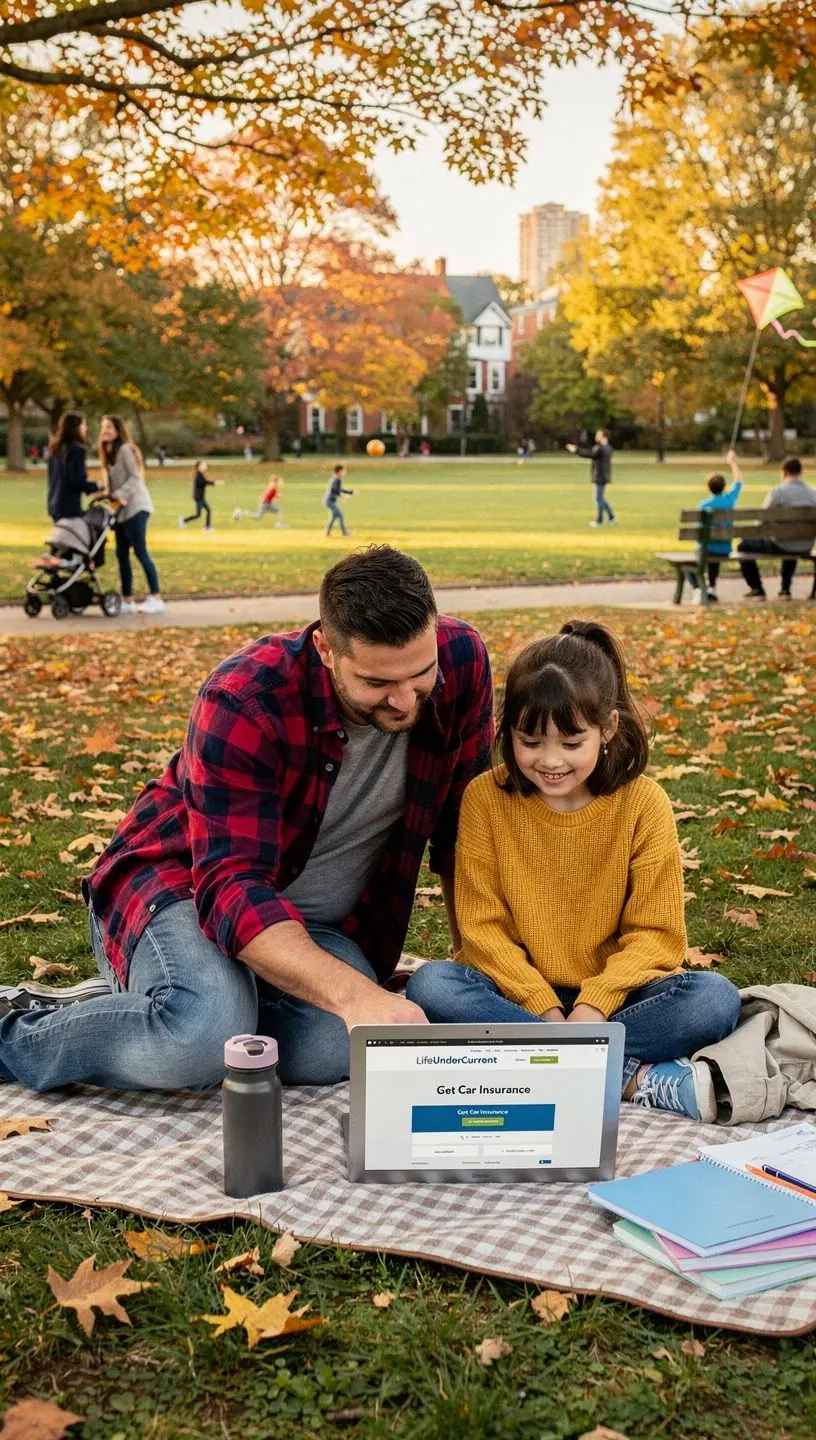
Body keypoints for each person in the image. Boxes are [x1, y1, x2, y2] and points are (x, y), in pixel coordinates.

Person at [0, 547, 493, 1094]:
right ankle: (13, 1030)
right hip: (178, 888)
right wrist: (355, 994)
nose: (405, 700)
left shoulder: (463, 659)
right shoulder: (245, 698)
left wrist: (471, 962)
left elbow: (461, 832)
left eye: (420, 675)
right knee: (199, 1043)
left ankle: (186, 1000)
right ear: (327, 649)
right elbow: (232, 885)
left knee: (337, 1047)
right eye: (378, 683)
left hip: (316, 926)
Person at [407, 620, 741, 1122]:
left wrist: (592, 1008)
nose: (549, 761)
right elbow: (480, 930)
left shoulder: (642, 804)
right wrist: (544, 1009)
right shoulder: (485, 800)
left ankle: (534, 1063)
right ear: (508, 730)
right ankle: (626, 1076)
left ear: (607, 728)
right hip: (514, 998)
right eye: (530, 741)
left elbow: (657, 936)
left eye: (570, 742)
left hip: (618, 999)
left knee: (713, 1001)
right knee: (431, 986)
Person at [98, 414, 165, 615]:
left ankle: (156, 597)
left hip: (136, 508)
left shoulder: (126, 449)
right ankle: (127, 599)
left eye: (109, 427)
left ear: (118, 430)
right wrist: (104, 494)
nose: (105, 431)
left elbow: (136, 479)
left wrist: (117, 495)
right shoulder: (108, 453)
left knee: (140, 551)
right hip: (120, 512)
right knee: (121, 554)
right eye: (103, 428)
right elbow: (114, 484)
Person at [739, 456, 816, 601]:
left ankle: (757, 588)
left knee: (744, 545)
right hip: (806, 544)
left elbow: (762, 520)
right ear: (801, 472)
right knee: (791, 540)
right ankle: (785, 589)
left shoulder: (778, 492)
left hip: (782, 543)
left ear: (784, 472)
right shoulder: (813, 493)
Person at [685, 449, 743, 605]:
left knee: (687, 564)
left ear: (708, 488)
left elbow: (699, 533)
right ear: (724, 487)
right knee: (713, 555)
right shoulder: (730, 500)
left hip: (707, 549)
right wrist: (733, 462)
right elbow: (738, 481)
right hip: (726, 548)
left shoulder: (704, 505)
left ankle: (699, 589)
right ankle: (711, 588)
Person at [46, 411, 96, 522]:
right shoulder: (76, 451)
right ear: (76, 427)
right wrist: (96, 487)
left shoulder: (54, 450)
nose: (85, 428)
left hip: (54, 504)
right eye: (83, 425)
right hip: (68, 508)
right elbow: (76, 480)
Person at [566, 429, 617, 527]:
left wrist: (576, 450)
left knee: (599, 499)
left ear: (604, 436)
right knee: (600, 498)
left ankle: (599, 521)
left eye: (599, 434)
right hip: (603, 476)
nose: (596, 436)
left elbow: (589, 454)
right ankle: (612, 517)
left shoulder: (601, 448)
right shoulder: (607, 447)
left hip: (600, 476)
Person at [180, 461, 218, 530]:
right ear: (199, 467)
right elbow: (203, 482)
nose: (205, 466)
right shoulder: (198, 475)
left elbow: (204, 482)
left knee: (208, 510)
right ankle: (183, 521)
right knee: (198, 515)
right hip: (199, 497)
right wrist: (214, 482)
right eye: (203, 465)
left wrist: (213, 483)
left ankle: (207, 526)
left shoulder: (200, 474)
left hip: (201, 497)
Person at [324, 462, 354, 537]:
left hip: (329, 501)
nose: (344, 472)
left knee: (334, 517)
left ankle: (327, 531)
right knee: (340, 515)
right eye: (344, 470)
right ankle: (345, 533)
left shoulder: (334, 478)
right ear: (340, 471)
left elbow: (338, 490)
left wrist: (349, 492)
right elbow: (337, 491)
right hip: (330, 501)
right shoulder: (337, 480)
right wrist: (345, 497)